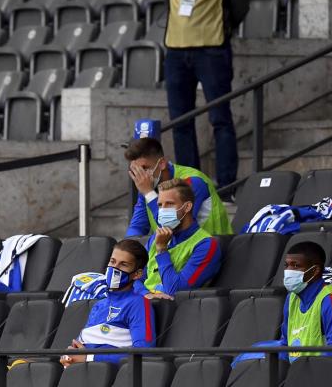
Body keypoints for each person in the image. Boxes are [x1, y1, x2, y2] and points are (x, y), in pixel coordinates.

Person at [160, 0, 249, 193]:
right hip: (175, 50)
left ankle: (227, 185)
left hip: (212, 49)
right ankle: (192, 188)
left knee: (220, 119)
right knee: (181, 124)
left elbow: (240, 4)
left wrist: (221, 29)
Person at [235, 242, 332, 364]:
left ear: (315, 270)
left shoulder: (331, 300)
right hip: (296, 371)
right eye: (286, 265)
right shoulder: (291, 298)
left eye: (296, 266)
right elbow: (286, 344)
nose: (288, 271)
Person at [60, 239, 156, 367]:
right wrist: (69, 356)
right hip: (81, 372)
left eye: (123, 265)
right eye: (112, 261)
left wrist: (89, 357)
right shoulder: (99, 305)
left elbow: (144, 354)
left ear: (137, 274)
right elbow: (79, 347)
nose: (114, 268)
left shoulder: (138, 304)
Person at [125, 137, 231, 236]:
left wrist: (149, 193)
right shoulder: (148, 186)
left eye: (144, 168)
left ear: (162, 164)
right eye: (136, 171)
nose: (141, 176)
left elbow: (172, 227)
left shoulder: (193, 181)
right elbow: (137, 228)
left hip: (213, 247)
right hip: (177, 251)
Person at [138, 179, 222, 297]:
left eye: (170, 204)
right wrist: (147, 294)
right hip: (143, 305)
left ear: (187, 207)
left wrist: (162, 249)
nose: (162, 210)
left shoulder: (206, 244)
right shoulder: (155, 238)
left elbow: (176, 290)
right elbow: (134, 279)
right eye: (160, 205)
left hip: (174, 311)